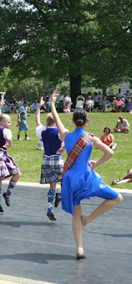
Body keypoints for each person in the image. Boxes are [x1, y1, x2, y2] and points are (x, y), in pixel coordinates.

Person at [50, 90, 122, 259]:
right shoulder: (92, 139)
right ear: (87, 122)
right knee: (117, 198)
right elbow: (109, 153)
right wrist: (96, 163)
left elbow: (57, 119)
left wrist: (53, 103)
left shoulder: (66, 136)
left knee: (76, 212)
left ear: (74, 121)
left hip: (70, 179)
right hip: (87, 178)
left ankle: (80, 248)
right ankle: (88, 220)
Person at [35, 97, 65, 221]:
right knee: (67, 178)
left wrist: (38, 108)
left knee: (52, 185)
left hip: (46, 160)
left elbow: (37, 121)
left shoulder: (43, 131)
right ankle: (60, 195)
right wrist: (63, 148)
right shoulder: (59, 132)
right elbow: (66, 142)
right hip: (57, 159)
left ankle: (49, 209)